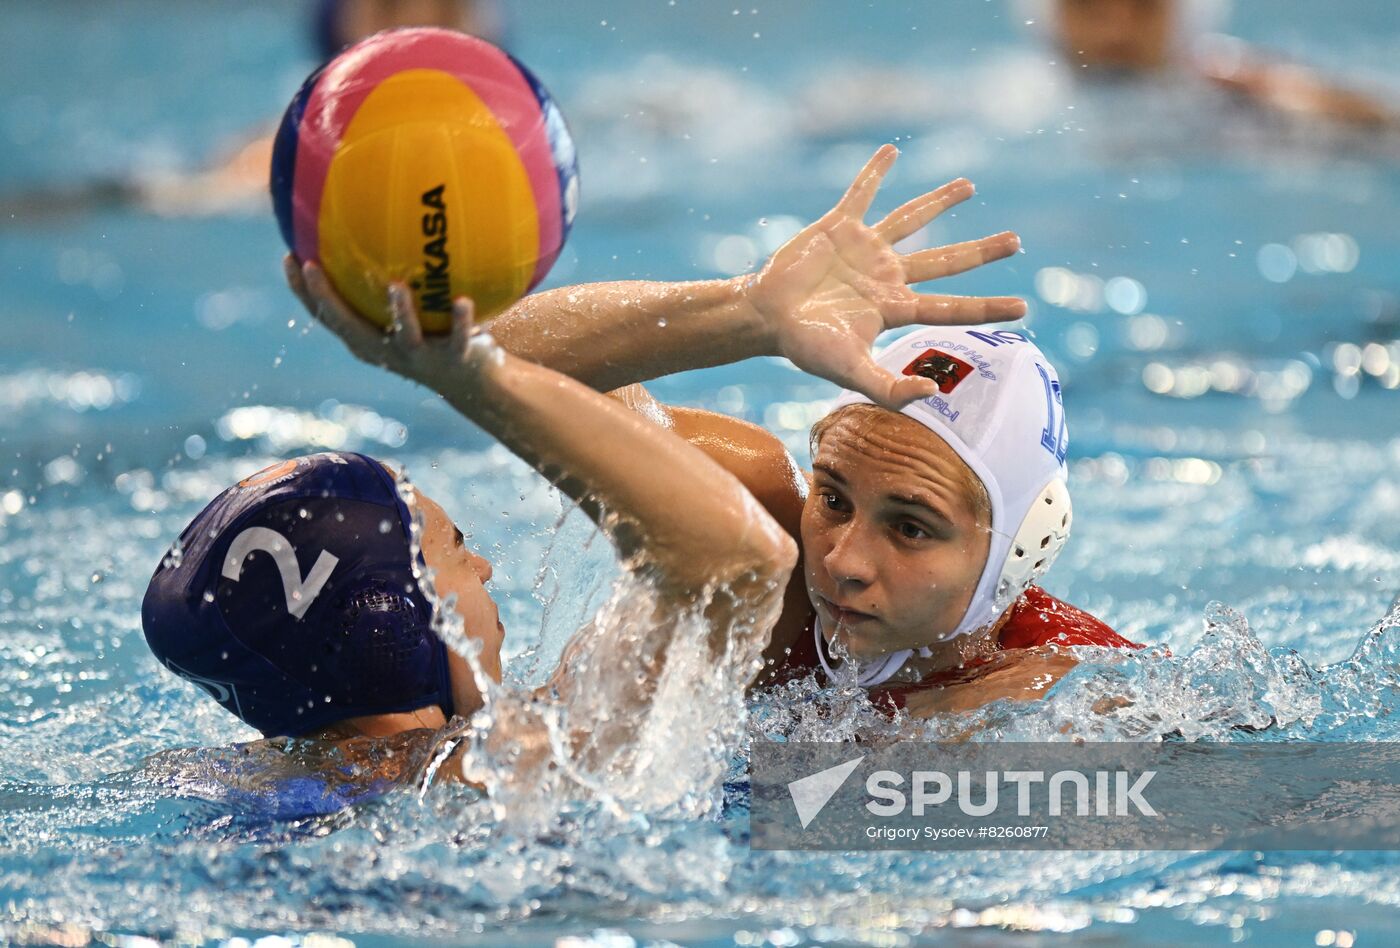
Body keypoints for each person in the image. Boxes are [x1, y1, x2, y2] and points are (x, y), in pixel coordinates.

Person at [288, 144, 1142, 721]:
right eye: (835, 497)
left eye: (910, 527)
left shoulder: (1071, 701)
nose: (841, 557)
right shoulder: (751, 520)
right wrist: (747, 315)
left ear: (1016, 553)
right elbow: (489, 355)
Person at [142, 305, 796, 786]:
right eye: (455, 551)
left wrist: (757, 303)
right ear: (389, 626)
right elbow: (751, 559)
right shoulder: (503, 770)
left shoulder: (258, 777)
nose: (484, 565)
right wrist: (752, 311)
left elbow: (529, 358)